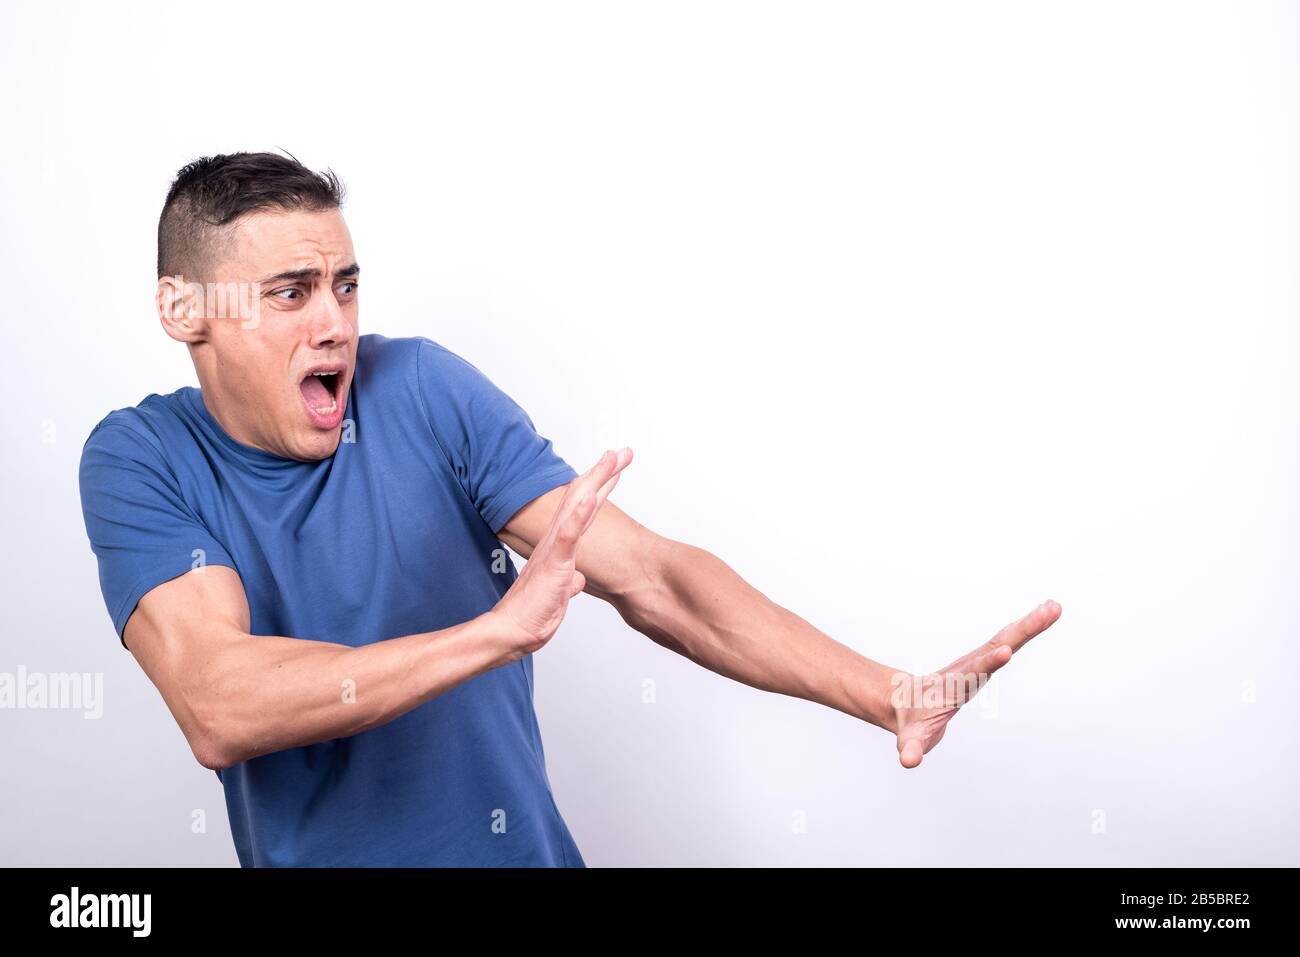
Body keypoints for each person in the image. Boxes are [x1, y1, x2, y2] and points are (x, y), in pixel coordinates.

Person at [78, 152, 1062, 866]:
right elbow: (219, 702)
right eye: (291, 293)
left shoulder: (418, 389)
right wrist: (492, 635)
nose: (336, 321)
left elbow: (657, 578)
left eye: (344, 285)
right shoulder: (142, 457)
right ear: (185, 312)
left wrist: (884, 692)